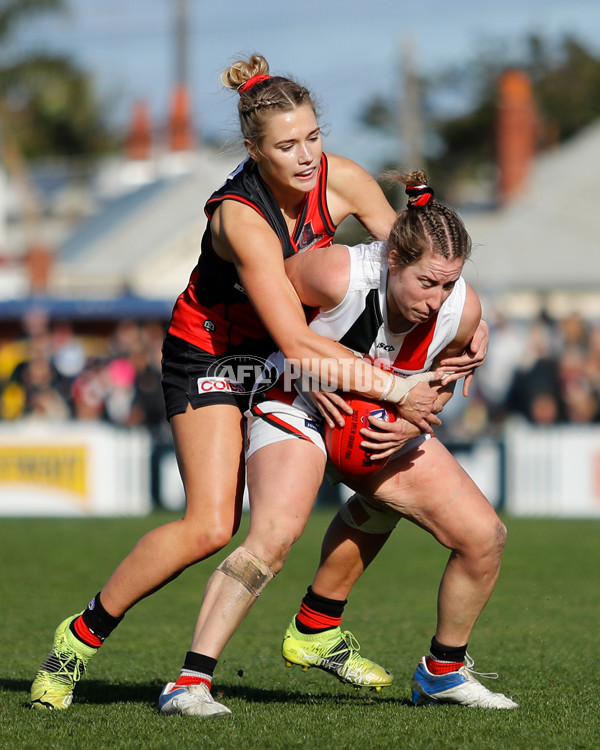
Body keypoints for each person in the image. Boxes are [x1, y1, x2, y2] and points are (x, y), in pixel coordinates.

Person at [30, 55, 487, 712]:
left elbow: (421, 264)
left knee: (383, 469)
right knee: (211, 525)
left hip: (297, 349)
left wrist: (475, 319)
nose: (306, 157)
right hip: (219, 354)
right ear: (252, 149)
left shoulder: (347, 180)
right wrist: (384, 387)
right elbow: (294, 339)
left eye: (312, 138)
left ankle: (318, 627)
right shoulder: (240, 217)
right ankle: (77, 639)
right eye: (285, 146)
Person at [157, 170, 515, 718]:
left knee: (484, 537)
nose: (438, 299)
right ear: (393, 259)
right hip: (295, 403)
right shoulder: (334, 271)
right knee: (274, 536)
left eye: (449, 284)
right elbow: (265, 306)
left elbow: (439, 385)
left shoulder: (460, 311)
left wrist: (416, 421)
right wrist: (309, 372)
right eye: (427, 283)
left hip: (372, 420)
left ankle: (442, 672)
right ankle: (189, 682)